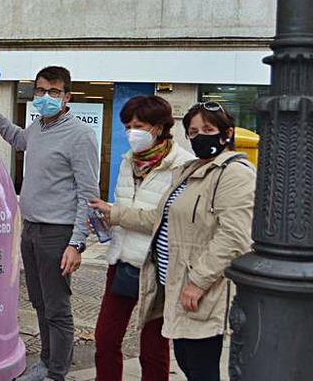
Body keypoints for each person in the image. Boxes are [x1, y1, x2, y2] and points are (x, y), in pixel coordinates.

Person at [90, 101, 255, 381]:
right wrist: (114, 215)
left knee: (180, 357)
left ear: (226, 134)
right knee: (176, 357)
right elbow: (161, 217)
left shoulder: (225, 171)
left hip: (182, 279)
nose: (200, 135)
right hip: (147, 270)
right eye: (193, 131)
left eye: (208, 129)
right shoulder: (184, 170)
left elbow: (235, 236)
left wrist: (198, 281)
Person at [0, 66, 99, 381]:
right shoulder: (39, 126)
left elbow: (89, 194)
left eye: (54, 92)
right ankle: (46, 362)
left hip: (56, 234)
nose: (46, 97)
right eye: (41, 91)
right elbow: (18, 139)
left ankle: (56, 372)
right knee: (40, 303)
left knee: (57, 309)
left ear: (67, 96)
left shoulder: (80, 135)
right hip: (31, 230)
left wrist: (76, 242)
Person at [94, 96, 194, 381]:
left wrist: (117, 214)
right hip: (121, 262)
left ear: (161, 127)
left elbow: (167, 220)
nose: (131, 132)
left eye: (138, 125)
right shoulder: (129, 162)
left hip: (157, 267)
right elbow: (124, 206)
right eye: (127, 125)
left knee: (153, 346)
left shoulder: (183, 166)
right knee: (106, 339)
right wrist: (106, 220)